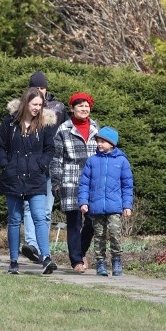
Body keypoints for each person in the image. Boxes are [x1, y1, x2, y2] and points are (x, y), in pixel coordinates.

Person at [0, 87, 58, 275]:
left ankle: (46, 258)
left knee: (40, 217)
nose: (37, 108)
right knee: (14, 219)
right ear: (25, 103)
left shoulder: (45, 125)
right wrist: (6, 165)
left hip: (36, 178)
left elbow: (50, 149)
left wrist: (42, 165)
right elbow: (0, 147)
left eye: (40, 104)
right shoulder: (10, 123)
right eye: (34, 104)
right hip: (13, 178)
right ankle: (13, 261)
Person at [20, 71, 68, 264]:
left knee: (46, 210)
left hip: (51, 164)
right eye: (36, 88)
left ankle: (41, 248)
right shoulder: (24, 107)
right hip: (30, 165)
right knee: (28, 206)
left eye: (42, 87)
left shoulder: (58, 108)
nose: (39, 91)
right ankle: (31, 244)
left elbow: (65, 132)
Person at [50, 92, 98, 272]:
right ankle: (76, 260)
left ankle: (82, 251)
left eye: (86, 105)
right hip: (70, 181)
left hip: (92, 182)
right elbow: (56, 159)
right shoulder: (63, 129)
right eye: (80, 106)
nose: (84, 109)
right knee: (74, 222)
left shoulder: (95, 127)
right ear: (72, 109)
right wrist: (56, 182)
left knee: (93, 221)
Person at [78, 127, 134, 276]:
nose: (99, 144)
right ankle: (100, 263)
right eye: (98, 141)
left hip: (114, 207)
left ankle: (116, 260)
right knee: (99, 236)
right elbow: (84, 184)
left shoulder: (122, 161)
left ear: (112, 143)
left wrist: (127, 205)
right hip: (96, 207)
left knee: (115, 233)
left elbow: (127, 185)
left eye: (103, 141)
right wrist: (83, 202)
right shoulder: (92, 161)